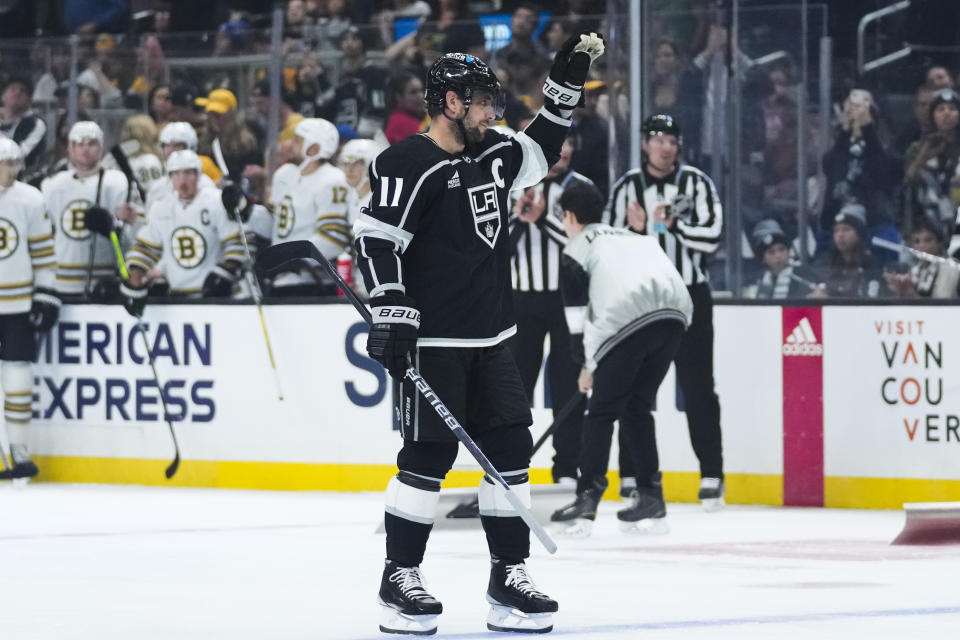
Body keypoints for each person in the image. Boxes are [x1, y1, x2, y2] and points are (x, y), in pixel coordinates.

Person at [353, 34, 604, 635]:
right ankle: (399, 578)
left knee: (510, 457)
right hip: (435, 342)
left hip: (494, 339)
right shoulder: (403, 162)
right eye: (483, 102)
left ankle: (507, 579)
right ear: (449, 103)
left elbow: (540, 151)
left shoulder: (492, 152)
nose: (494, 111)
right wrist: (390, 306)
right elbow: (374, 239)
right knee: (427, 458)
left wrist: (563, 87)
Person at [548, 181, 692, 536]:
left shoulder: (577, 249)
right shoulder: (634, 236)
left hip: (630, 321)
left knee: (600, 413)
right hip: (675, 316)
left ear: (568, 216)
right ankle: (651, 496)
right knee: (636, 406)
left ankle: (587, 497)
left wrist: (585, 363)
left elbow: (577, 316)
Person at [604, 114, 726, 510]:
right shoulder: (627, 188)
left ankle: (711, 473)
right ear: (644, 144)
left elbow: (713, 237)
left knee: (698, 388)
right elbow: (607, 244)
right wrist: (639, 233)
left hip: (689, 296)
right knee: (633, 389)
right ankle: (633, 475)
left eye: (672, 139)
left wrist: (671, 227)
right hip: (643, 298)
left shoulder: (697, 183)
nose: (665, 146)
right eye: (657, 138)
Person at [508, 134, 590, 484]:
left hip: (565, 301)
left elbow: (583, 244)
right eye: (559, 142)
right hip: (519, 301)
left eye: (570, 142)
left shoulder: (581, 189)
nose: (565, 149)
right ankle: (509, 464)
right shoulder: (508, 185)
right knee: (513, 390)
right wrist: (518, 219)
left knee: (567, 385)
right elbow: (491, 245)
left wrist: (540, 219)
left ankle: (567, 468)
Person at [0, 138, 59, 480]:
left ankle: (20, 452)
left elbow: (43, 254)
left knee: (18, 375)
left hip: (19, 303)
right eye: (4, 163)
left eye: (13, 163)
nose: (9, 170)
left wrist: (46, 293)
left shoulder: (31, 199)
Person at [120, 150, 245, 309]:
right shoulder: (161, 208)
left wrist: (226, 273)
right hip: (178, 300)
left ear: (199, 175)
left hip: (218, 299)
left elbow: (238, 241)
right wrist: (135, 282)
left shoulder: (216, 201)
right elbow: (145, 248)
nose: (182, 181)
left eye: (188, 173)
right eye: (176, 175)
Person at [41, 121, 135, 298]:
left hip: (104, 279)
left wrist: (118, 223)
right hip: (62, 278)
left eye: (91, 144)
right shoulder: (52, 185)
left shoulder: (117, 182)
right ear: (70, 149)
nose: (85, 149)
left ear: (101, 148)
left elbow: (131, 232)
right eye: (79, 144)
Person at [267, 118, 349, 297]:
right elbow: (274, 227)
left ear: (314, 149)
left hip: (312, 283)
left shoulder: (332, 180)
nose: (288, 144)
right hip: (278, 280)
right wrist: (245, 210)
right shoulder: (284, 175)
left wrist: (294, 259)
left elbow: (333, 238)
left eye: (297, 140)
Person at [809, 203, 886, 299]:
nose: (840, 235)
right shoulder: (824, 263)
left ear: (859, 234)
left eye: (846, 229)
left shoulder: (872, 265)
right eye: (836, 230)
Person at [883, 216, 959, 299]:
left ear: (939, 243)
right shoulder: (915, 270)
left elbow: (941, 306)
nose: (922, 246)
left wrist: (910, 292)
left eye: (928, 240)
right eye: (916, 241)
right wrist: (900, 289)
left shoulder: (949, 268)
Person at [750, 219, 817, 299]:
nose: (778, 255)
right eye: (771, 252)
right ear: (763, 258)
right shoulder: (757, 280)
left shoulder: (803, 276)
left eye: (781, 249)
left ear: (788, 252)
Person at [0, 75, 47, 180]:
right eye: (12, 89)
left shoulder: (36, 124)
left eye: (23, 91)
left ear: (30, 99)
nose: (17, 93)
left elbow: (18, 155)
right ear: (3, 96)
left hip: (22, 179)